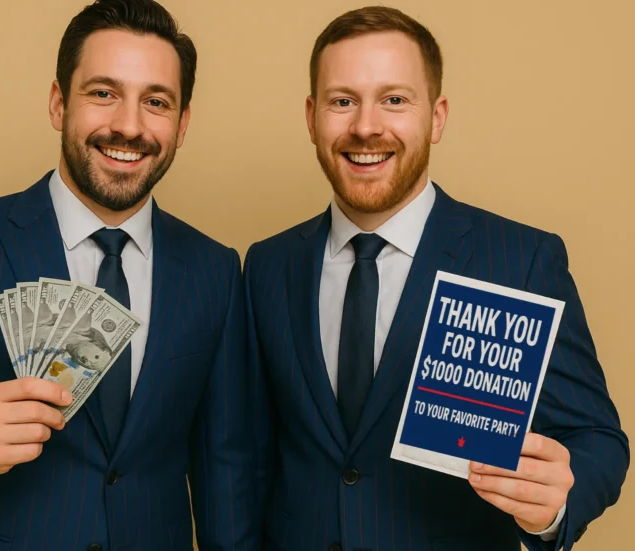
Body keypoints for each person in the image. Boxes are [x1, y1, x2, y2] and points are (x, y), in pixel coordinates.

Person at [0, 1, 256, 550]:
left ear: (181, 125)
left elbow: (224, 467)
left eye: (156, 102)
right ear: (59, 104)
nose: (129, 125)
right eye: (102, 93)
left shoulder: (216, 270)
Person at [245, 6, 628, 551]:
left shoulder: (521, 259)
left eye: (394, 99)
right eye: (342, 101)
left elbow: (598, 438)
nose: (366, 126)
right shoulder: (267, 265)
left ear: (438, 116)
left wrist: (556, 503)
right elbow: (249, 455)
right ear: (311, 116)